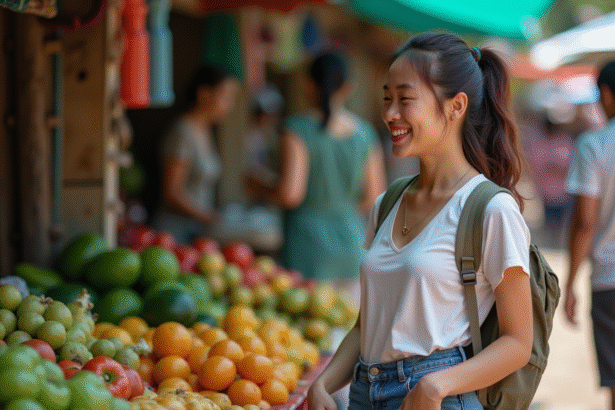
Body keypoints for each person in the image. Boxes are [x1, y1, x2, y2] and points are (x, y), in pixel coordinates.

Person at [307, 32, 533, 410]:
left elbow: (517, 343)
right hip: (365, 391)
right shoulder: (388, 202)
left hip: (436, 397)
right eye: (386, 99)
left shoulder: (490, 209)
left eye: (405, 99)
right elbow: (369, 326)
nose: (389, 114)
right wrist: (324, 383)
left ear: (455, 106)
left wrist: (435, 386)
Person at [245, 51, 387, 303]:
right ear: (347, 88)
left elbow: (291, 194)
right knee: (345, 329)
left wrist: (259, 186)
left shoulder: (296, 130)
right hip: (352, 246)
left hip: (307, 247)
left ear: (308, 85)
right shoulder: (365, 134)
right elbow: (374, 196)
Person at [564, 60, 615, 410]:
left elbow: (585, 223)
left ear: (607, 95)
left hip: (609, 281)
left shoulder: (594, 145)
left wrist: (570, 282)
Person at [152, 63, 239, 244]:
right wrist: (211, 217)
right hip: (174, 234)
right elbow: (171, 192)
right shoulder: (182, 133)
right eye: (225, 97)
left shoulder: (205, 130)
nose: (229, 106)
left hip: (195, 231)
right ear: (204, 94)